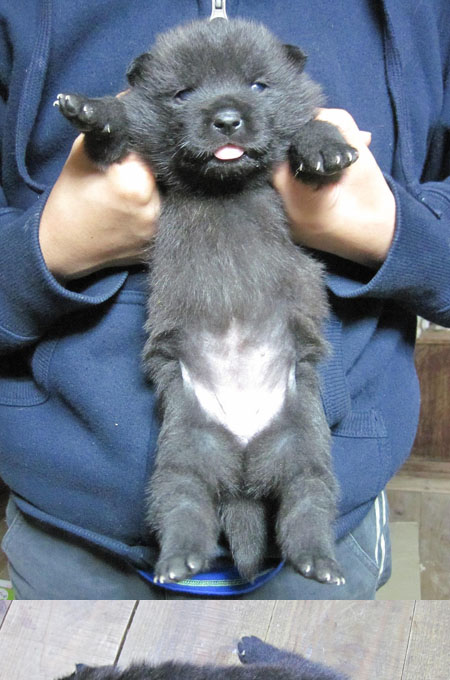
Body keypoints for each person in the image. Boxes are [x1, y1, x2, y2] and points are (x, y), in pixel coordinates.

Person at [0, 0, 449, 601]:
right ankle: (183, 540)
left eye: (258, 87)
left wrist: (387, 225)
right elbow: (134, 126)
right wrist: (50, 242)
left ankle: (309, 542)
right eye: (185, 94)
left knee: (303, 461)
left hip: (291, 375)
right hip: (75, 510)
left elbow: (308, 126)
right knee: (186, 461)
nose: (228, 113)